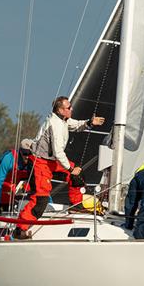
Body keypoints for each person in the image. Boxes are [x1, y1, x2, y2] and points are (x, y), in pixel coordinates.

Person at [17, 96, 104, 239]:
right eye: (69, 108)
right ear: (60, 110)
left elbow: (75, 125)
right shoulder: (54, 124)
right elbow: (58, 152)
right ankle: (20, 229)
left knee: (78, 175)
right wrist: (70, 169)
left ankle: (76, 204)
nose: (72, 109)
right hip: (40, 162)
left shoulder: (64, 120)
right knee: (41, 201)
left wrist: (89, 122)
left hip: (51, 162)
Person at [0, 138, 34, 213]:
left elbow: (39, 182)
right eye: (25, 153)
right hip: (4, 183)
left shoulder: (33, 160)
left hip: (19, 183)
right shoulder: (9, 159)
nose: (27, 156)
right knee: (5, 204)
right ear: (20, 151)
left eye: (30, 153)